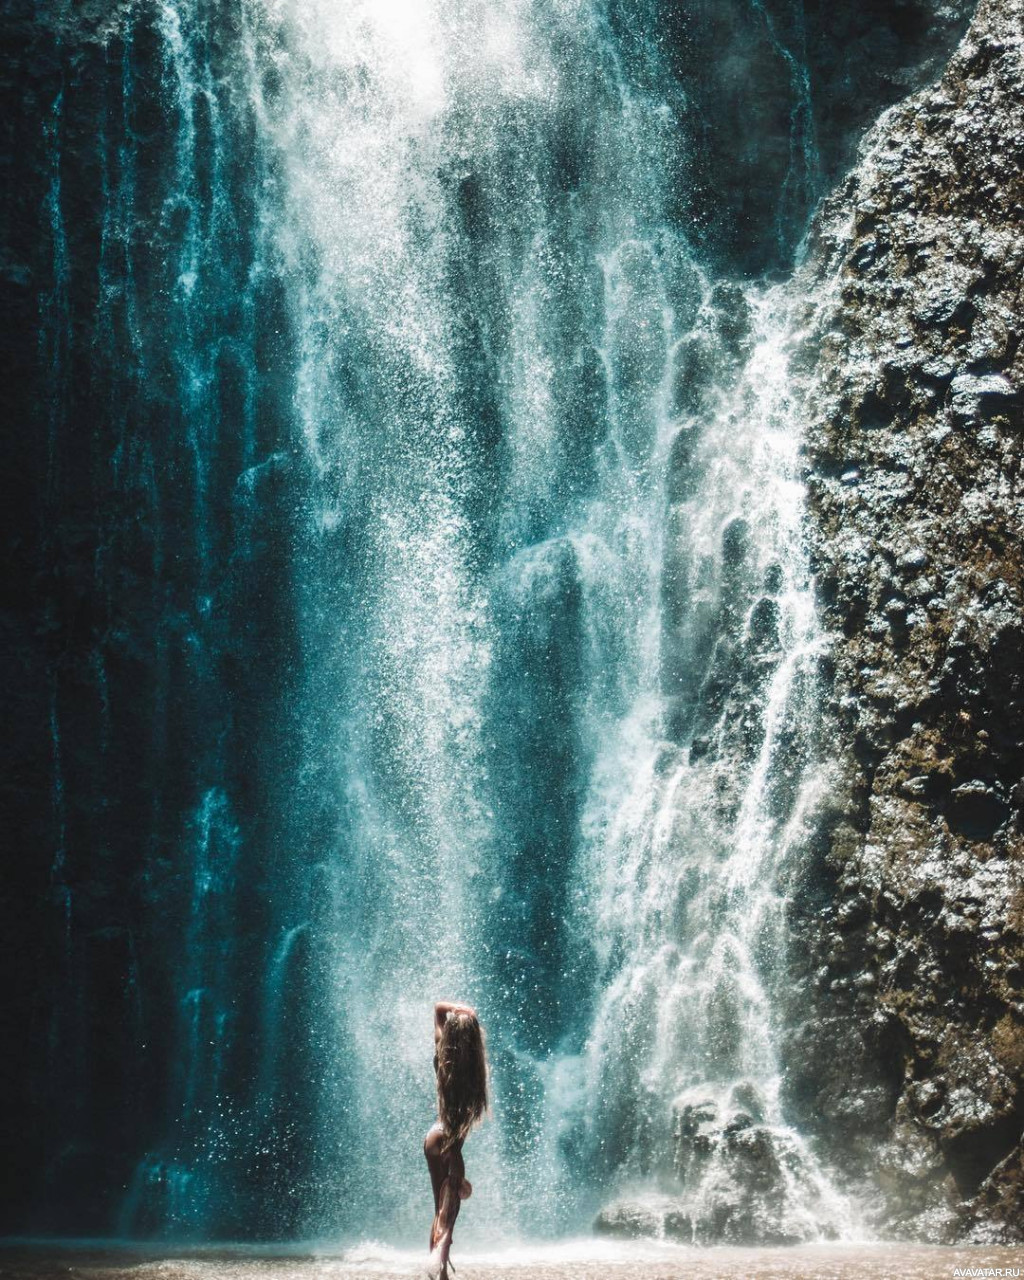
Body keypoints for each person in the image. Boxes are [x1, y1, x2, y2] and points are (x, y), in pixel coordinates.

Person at [424, 1000, 488, 1280]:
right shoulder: (475, 1075)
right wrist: (472, 1018)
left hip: (434, 1139)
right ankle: (440, 1261)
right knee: (448, 1216)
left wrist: (466, 1012)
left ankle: (438, 1271)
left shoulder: (443, 1059)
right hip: (452, 1147)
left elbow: (439, 1008)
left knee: (440, 1209)